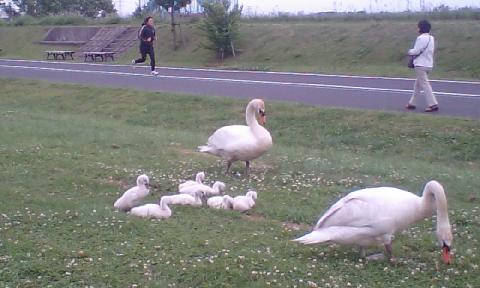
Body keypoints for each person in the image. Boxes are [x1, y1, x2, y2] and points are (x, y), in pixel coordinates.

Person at [405, 20, 438, 112]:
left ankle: (433, 104)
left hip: (420, 65)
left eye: (418, 27)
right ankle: (412, 103)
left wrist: (409, 51)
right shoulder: (431, 38)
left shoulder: (420, 38)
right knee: (418, 85)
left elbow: (416, 51)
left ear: (421, 28)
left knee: (425, 84)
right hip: (429, 64)